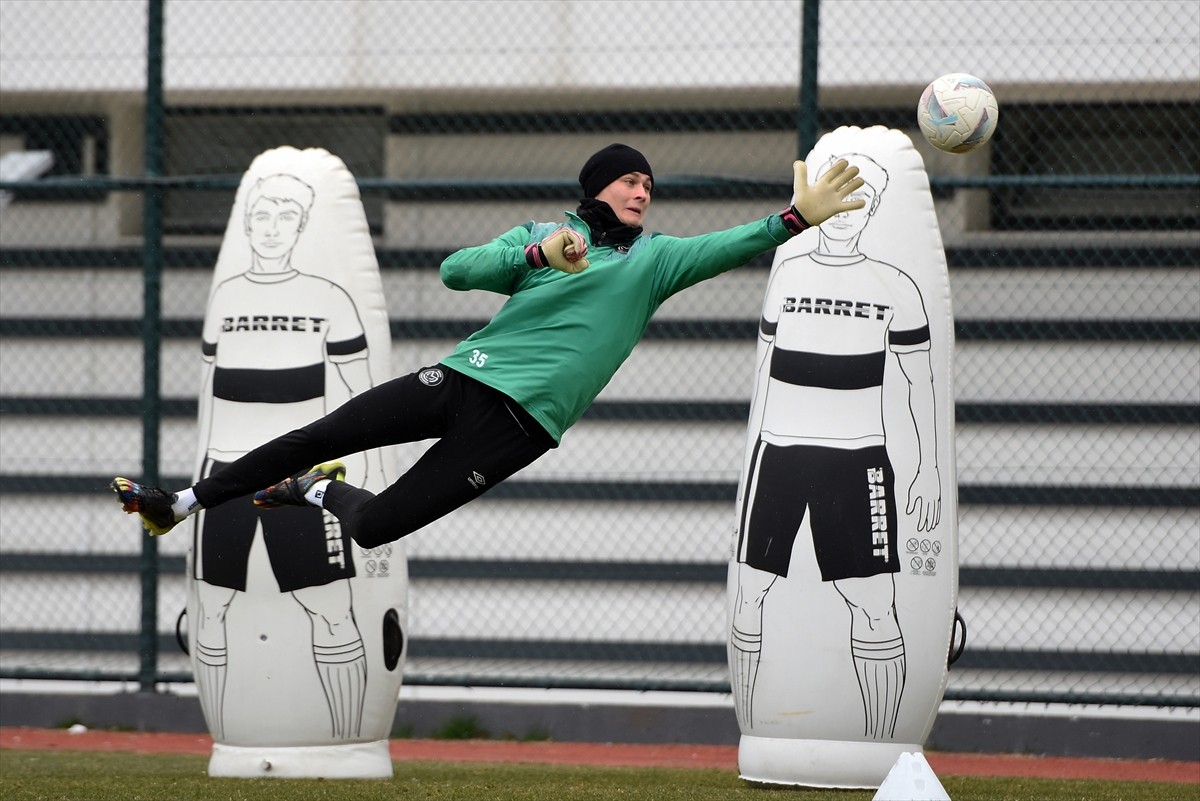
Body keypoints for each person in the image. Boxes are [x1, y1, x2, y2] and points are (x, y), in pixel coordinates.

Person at [112, 143, 865, 551]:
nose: (642, 192)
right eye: (630, 180)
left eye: (649, 184)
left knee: (373, 528)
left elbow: (730, 244)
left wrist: (791, 220)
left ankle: (312, 488)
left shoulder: (654, 260)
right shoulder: (541, 234)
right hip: (464, 376)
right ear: (598, 187)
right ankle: (176, 504)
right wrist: (539, 257)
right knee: (321, 428)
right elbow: (455, 271)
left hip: (522, 427)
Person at [728, 153, 941, 736]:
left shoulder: (896, 287)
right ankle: (760, 738)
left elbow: (919, 382)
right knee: (750, 594)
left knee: (875, 606)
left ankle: (880, 747)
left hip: (857, 461)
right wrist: (751, 467)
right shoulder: (788, 276)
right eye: (838, 195)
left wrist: (927, 473)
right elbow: (767, 369)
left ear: (873, 209)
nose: (848, 210)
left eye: (861, 198)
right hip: (778, 454)